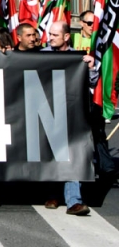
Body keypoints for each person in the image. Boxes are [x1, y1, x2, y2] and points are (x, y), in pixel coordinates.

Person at [40, 20, 91, 215]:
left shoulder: (77, 58)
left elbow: (90, 83)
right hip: (46, 114)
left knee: (71, 156)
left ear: (66, 36)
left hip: (71, 115)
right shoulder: (40, 56)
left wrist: (91, 67)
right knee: (50, 155)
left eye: (54, 35)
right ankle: (53, 194)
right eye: (50, 34)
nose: (50, 38)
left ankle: (73, 201)